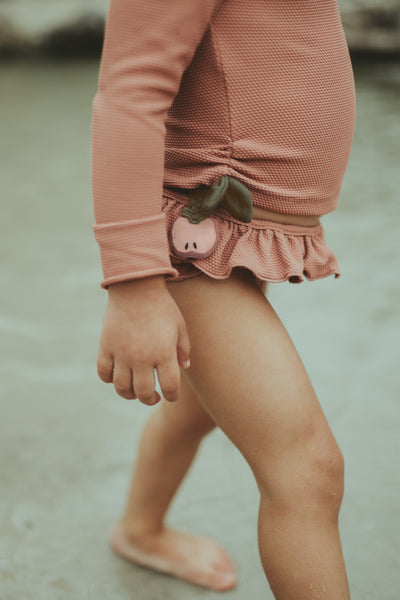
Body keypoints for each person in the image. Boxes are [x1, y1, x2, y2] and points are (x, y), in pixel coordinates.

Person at [90, 0, 356, 597]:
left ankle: (140, 528)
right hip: (190, 237)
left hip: (244, 236)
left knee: (198, 401)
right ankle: (141, 527)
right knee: (308, 471)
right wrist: (135, 288)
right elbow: (131, 92)